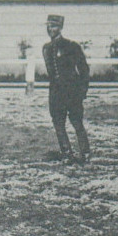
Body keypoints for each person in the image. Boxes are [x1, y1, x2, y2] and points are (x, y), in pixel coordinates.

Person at [41, 14, 91, 164]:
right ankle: (67, 153)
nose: (50, 29)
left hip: (72, 91)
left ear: (61, 27)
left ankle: (85, 153)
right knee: (58, 122)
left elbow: (84, 70)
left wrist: (82, 91)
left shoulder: (71, 46)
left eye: (54, 26)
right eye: (48, 26)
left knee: (76, 122)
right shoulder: (46, 49)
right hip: (56, 93)